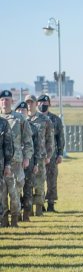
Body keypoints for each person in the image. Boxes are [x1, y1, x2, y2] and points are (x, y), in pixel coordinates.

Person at [0, 90, 33, 227]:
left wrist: (27, 158)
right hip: (1, 163)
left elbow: (28, 140)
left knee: (14, 192)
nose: (4, 102)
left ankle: (14, 219)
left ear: (12, 101)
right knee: (2, 194)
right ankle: (3, 221)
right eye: (2, 100)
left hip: (16, 162)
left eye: (7, 99)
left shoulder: (19, 119)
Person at [24, 95, 53, 218]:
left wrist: (49, 155)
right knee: (27, 184)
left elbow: (49, 139)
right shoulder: (22, 119)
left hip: (40, 156)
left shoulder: (44, 120)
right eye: (28, 103)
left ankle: (39, 209)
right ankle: (28, 209)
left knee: (39, 184)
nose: (29, 105)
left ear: (36, 104)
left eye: (32, 102)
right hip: (26, 157)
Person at [15, 101, 44, 222]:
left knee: (28, 188)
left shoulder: (33, 127)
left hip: (29, 163)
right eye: (19, 111)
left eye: (24, 111)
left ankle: (26, 215)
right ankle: (16, 213)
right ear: (16, 112)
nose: (22, 112)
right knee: (16, 189)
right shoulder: (10, 124)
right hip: (15, 162)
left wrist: (36, 163)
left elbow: (37, 147)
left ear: (27, 112)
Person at [36, 95, 64, 212]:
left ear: (49, 103)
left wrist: (60, 154)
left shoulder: (55, 119)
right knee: (39, 180)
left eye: (45, 102)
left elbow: (60, 138)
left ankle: (51, 204)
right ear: (37, 104)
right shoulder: (34, 118)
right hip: (38, 156)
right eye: (41, 102)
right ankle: (40, 203)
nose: (43, 104)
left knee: (52, 180)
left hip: (52, 155)